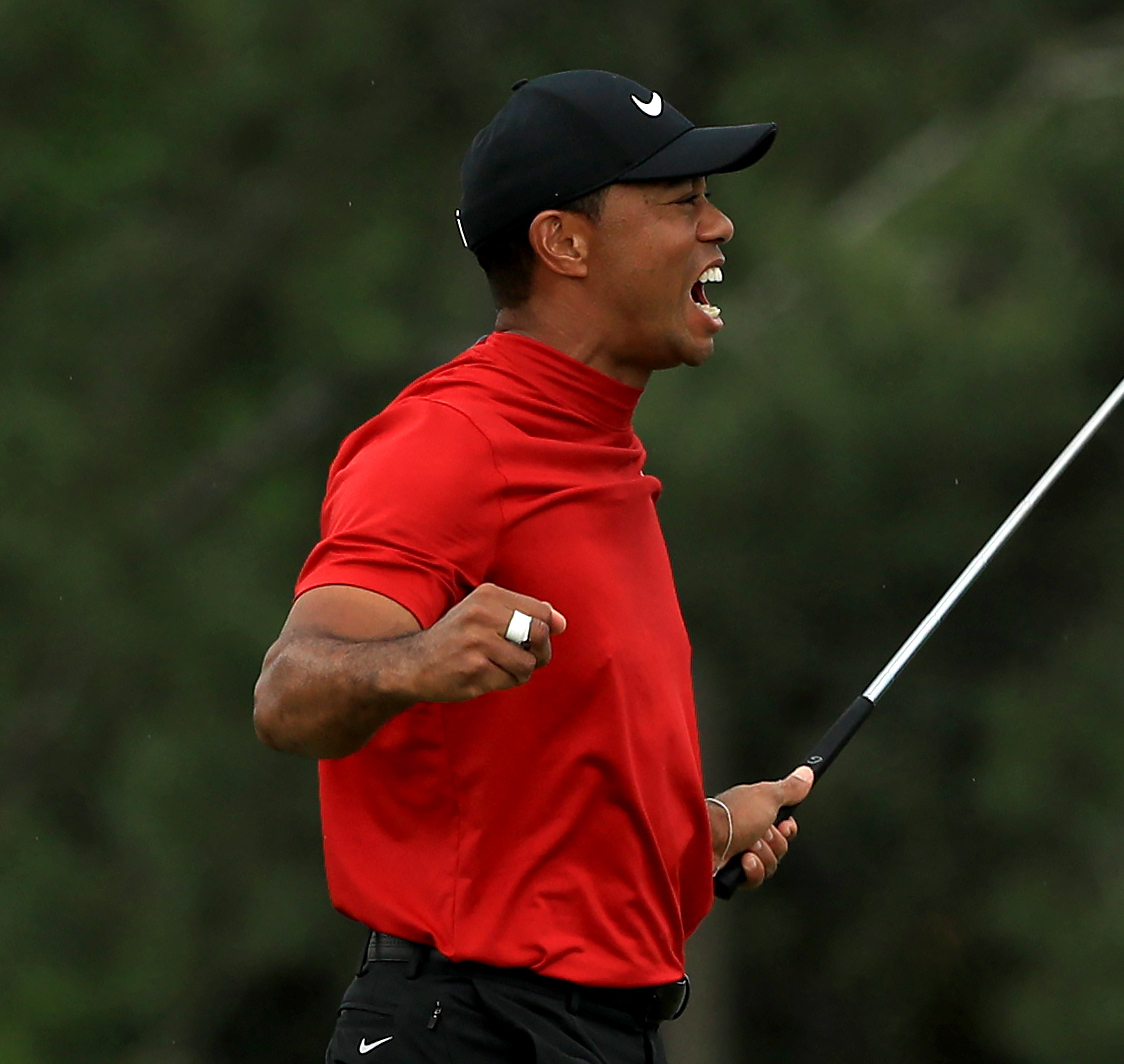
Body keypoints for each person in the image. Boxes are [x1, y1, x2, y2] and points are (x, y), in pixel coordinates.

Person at [252, 70, 812, 1064]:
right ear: (563, 241)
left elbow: (535, 822)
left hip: (591, 1033)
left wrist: (709, 831)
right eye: (682, 201)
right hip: (461, 1032)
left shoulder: (600, 452)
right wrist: (417, 659)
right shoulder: (450, 438)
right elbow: (289, 694)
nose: (719, 225)